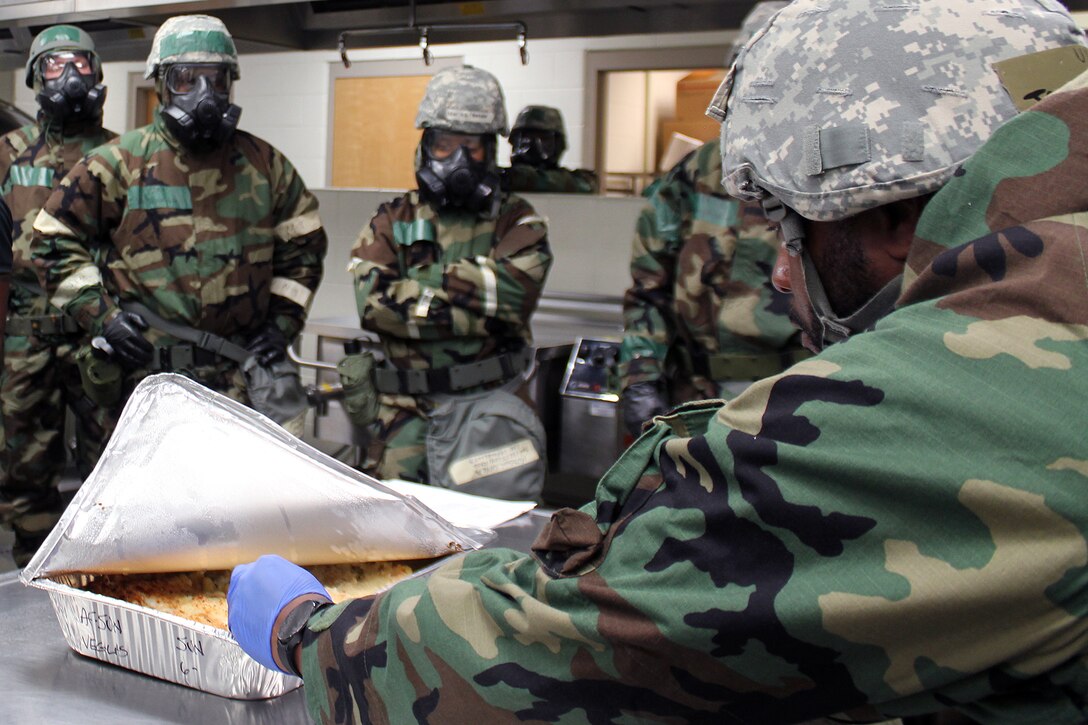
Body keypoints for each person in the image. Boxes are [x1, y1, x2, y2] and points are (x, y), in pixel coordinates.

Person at [228, 1, 1088, 722]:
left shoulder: (935, 399)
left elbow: (558, 652)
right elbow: (387, 294)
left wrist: (308, 632)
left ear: (896, 213)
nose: (782, 271)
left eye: (791, 229)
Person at [32, 15, 327, 439]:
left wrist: (281, 326)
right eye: (187, 79)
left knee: (237, 502)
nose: (205, 95)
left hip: (237, 386)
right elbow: (52, 240)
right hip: (147, 385)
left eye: (217, 79)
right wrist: (104, 318)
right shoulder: (118, 163)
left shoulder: (266, 165)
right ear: (162, 84)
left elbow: (305, 250)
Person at [344, 65, 552, 499]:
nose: (455, 159)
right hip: (401, 421)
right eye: (444, 144)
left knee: (489, 545)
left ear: (490, 150)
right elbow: (373, 306)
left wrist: (418, 285)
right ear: (425, 146)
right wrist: (477, 301)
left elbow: (512, 300)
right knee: (398, 545)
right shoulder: (392, 218)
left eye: (470, 146)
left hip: (486, 414)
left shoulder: (518, 220)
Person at [618, 3, 799, 439]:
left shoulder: (829, 176)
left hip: (797, 399)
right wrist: (640, 378)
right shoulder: (694, 177)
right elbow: (649, 292)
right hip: (697, 401)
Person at [0, 25, 117, 568]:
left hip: (100, 337)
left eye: (79, 64)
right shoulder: (7, 154)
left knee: (112, 464)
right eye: (54, 65)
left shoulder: (123, 156)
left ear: (98, 74)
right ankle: (32, 567)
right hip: (25, 338)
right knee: (24, 467)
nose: (68, 76)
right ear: (34, 78)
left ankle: (103, 569)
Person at [502, 105, 599, 193]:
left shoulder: (582, 181)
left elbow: (587, 185)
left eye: (540, 137)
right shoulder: (502, 179)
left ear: (558, 142)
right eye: (522, 136)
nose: (527, 142)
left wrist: (519, 178)